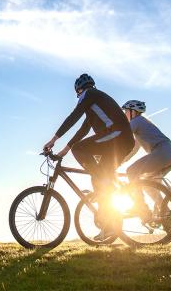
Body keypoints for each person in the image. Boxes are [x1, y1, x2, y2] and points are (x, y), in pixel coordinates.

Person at [43, 73, 135, 241]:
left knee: (84, 155)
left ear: (79, 90)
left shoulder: (89, 95)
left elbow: (73, 117)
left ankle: (103, 180)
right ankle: (110, 225)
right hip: (120, 139)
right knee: (99, 181)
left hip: (118, 135)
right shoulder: (94, 104)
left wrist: (53, 139)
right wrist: (64, 151)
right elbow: (83, 130)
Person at [121, 100, 171, 214]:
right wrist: (120, 161)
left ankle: (139, 206)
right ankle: (166, 212)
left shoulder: (136, 121)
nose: (125, 114)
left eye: (126, 111)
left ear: (133, 112)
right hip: (169, 155)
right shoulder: (141, 123)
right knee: (148, 184)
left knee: (131, 171)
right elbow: (134, 149)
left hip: (161, 152)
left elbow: (122, 136)